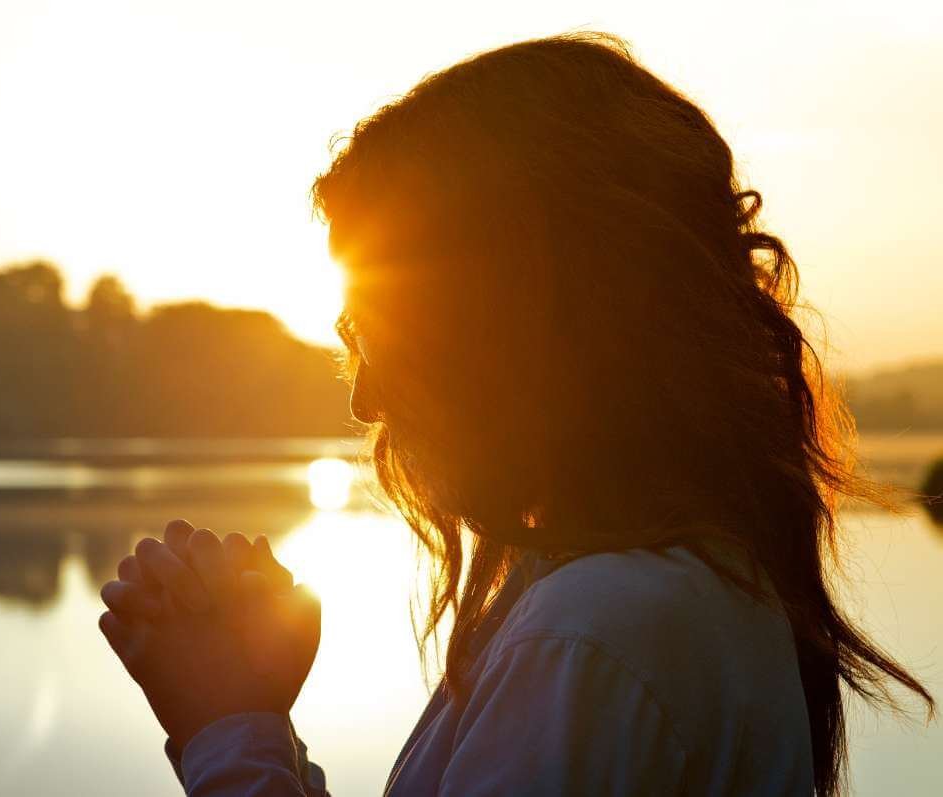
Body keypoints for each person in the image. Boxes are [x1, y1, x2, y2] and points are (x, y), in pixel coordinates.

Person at [98, 32, 934, 795]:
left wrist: (225, 725)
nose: (364, 398)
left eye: (383, 334)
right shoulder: (663, 590)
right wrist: (251, 717)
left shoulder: (594, 636)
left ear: (507, 327)